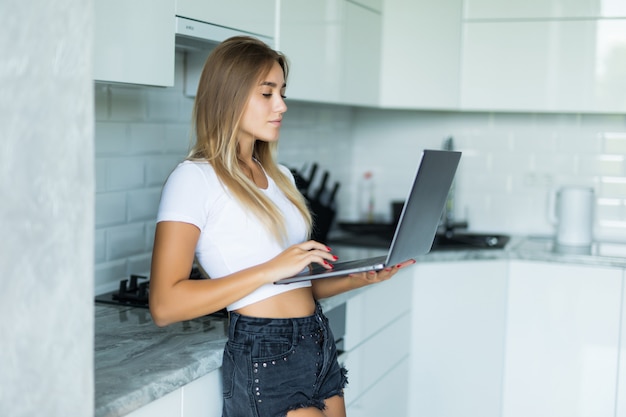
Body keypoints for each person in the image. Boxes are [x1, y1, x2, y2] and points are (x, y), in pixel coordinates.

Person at [149, 36, 415, 417]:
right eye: (267, 93)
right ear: (230, 96)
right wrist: (273, 268)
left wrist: (361, 277)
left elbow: (301, 285)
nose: (282, 106)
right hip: (266, 352)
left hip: (316, 341)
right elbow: (164, 304)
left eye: (282, 92)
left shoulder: (281, 176)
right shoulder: (194, 179)